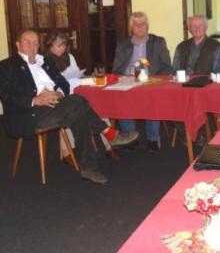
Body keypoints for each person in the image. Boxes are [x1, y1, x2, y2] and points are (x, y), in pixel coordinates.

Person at [0, 30, 135, 184]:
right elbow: (6, 96)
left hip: (57, 105)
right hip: (32, 112)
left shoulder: (45, 62)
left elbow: (63, 84)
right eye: (27, 42)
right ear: (18, 45)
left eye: (35, 42)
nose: (32, 46)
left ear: (39, 45)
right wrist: (35, 100)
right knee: (78, 101)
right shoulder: (7, 66)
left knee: (79, 114)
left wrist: (57, 94)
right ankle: (109, 133)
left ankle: (89, 168)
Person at [45, 30, 127, 162]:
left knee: (98, 106)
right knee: (73, 110)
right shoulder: (46, 61)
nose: (62, 48)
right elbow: (50, 84)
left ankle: (109, 145)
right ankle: (67, 151)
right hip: (59, 96)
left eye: (64, 45)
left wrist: (83, 77)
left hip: (76, 90)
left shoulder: (69, 57)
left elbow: (76, 74)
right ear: (50, 46)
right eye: (58, 45)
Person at [112, 11, 172, 152]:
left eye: (142, 23)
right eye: (136, 24)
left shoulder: (158, 42)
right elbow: (116, 69)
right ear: (131, 27)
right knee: (121, 98)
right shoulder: (123, 44)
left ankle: (153, 139)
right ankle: (130, 138)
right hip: (128, 80)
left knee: (151, 98)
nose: (139, 27)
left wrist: (154, 79)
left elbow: (167, 67)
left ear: (148, 26)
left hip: (150, 81)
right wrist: (125, 77)